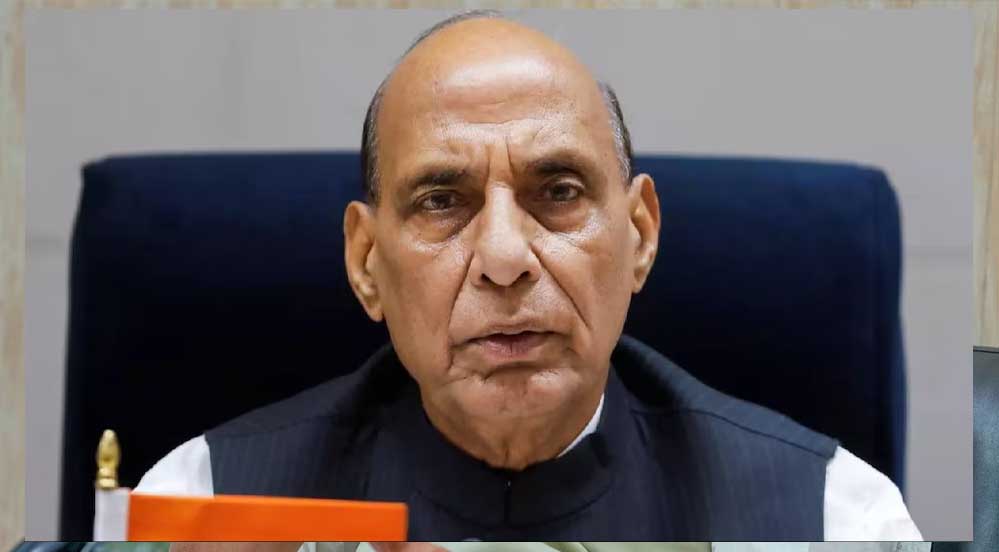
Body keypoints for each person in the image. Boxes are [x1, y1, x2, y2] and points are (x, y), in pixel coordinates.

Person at [137, 10, 921, 541]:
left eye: (559, 193)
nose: (505, 258)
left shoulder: (834, 519)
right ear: (366, 262)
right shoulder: (201, 505)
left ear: (639, 235)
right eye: (442, 201)